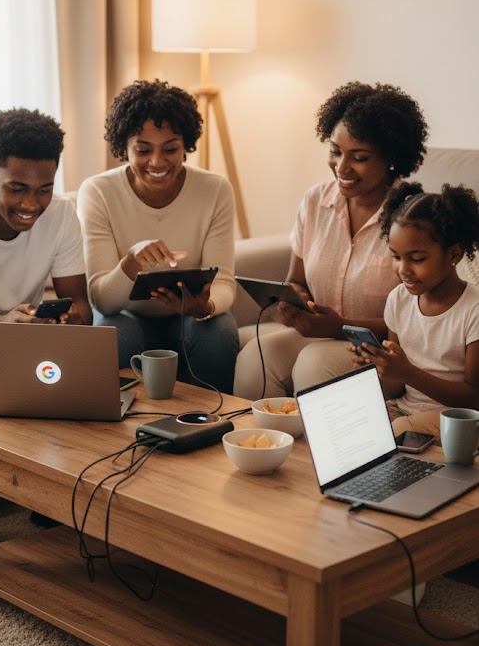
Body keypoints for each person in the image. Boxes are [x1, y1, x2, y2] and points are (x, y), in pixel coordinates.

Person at [0, 108, 92, 546]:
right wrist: (0, 324)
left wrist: (68, 320)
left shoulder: (62, 216)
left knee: (83, 358)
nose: (32, 205)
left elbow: (81, 304)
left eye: (44, 189)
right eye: (18, 188)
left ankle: (52, 506)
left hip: (27, 336)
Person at [233, 81, 429, 400]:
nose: (342, 167)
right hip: (321, 335)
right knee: (255, 356)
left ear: (390, 159)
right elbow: (296, 280)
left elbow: (421, 321)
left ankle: (310, 451)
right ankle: (256, 446)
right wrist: (295, 304)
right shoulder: (315, 202)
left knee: (314, 364)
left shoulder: (414, 218)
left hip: (384, 351)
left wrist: (339, 326)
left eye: (359, 157)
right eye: (335, 152)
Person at [77, 79, 239, 393]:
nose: (157, 162)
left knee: (219, 330)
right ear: (123, 147)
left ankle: (214, 425)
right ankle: (120, 428)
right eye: (143, 149)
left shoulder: (214, 190)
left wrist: (203, 307)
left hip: (189, 319)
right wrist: (131, 264)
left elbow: (224, 281)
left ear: (186, 145)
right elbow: (102, 300)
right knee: (114, 330)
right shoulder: (98, 192)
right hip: (126, 316)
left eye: (170, 149)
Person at [353, 182, 479, 439]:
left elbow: (473, 399)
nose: (403, 269)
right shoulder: (399, 299)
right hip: (404, 410)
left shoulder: (473, 311)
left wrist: (407, 372)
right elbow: (396, 389)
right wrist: (380, 368)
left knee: (395, 433)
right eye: (396, 257)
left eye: (417, 259)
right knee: (352, 422)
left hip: (455, 420)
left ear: (453, 253)